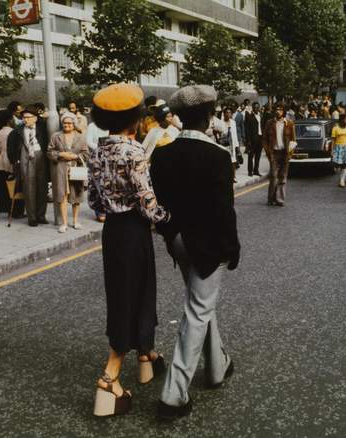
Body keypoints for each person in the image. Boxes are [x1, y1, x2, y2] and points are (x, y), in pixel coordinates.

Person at [149, 85, 240, 420]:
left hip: (178, 241)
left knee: (200, 303)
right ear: (208, 115)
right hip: (208, 244)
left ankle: (217, 367)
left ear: (179, 116)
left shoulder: (162, 153)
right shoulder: (217, 155)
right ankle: (173, 396)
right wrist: (232, 247)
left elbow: (160, 203)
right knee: (198, 311)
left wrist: (171, 234)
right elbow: (223, 210)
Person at [88, 83, 170, 417]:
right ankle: (109, 377)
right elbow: (146, 200)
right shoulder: (133, 152)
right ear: (135, 119)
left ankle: (146, 356)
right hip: (135, 232)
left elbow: (95, 201)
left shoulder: (96, 151)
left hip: (113, 232)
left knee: (124, 293)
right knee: (135, 295)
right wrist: (166, 219)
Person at [47, 112, 90, 233]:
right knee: (62, 195)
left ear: (74, 124)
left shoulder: (80, 137)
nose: (67, 125)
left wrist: (75, 156)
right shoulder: (56, 136)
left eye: (70, 123)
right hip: (60, 169)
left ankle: (76, 221)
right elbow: (49, 152)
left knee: (76, 194)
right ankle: (64, 223)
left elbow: (86, 153)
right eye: (65, 123)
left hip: (76, 169)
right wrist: (61, 154)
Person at [7, 106, 49, 226]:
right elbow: (10, 148)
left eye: (28, 117)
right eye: (24, 117)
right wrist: (15, 161)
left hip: (40, 157)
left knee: (42, 188)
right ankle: (32, 218)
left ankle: (41, 215)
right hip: (25, 158)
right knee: (29, 189)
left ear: (35, 118)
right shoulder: (17, 131)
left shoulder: (42, 129)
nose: (25, 120)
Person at [263, 103, 296, 206]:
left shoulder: (289, 124)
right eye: (276, 109)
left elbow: (293, 140)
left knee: (283, 177)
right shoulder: (269, 123)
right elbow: (264, 139)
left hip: (285, 153)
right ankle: (271, 198)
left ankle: (280, 199)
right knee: (273, 176)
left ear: (284, 112)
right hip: (273, 153)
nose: (278, 111)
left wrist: (290, 153)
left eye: (280, 110)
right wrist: (268, 152)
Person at [86, 121, 109, 223]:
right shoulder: (92, 126)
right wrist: (101, 148)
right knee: (97, 184)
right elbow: (88, 141)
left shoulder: (110, 124)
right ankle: (100, 211)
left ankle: (109, 210)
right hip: (96, 158)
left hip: (109, 157)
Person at [0, 110, 15, 213]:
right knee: (12, 183)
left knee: (3, 184)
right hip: (10, 158)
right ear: (9, 120)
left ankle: (4, 206)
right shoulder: (12, 132)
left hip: (1, 159)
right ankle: (13, 207)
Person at [244, 101, 264, 177]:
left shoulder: (261, 115)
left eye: (257, 107)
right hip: (252, 139)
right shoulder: (249, 116)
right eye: (255, 107)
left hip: (260, 138)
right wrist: (248, 141)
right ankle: (250, 171)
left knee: (258, 155)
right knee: (251, 155)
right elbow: (247, 129)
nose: (256, 109)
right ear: (253, 108)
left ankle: (256, 170)